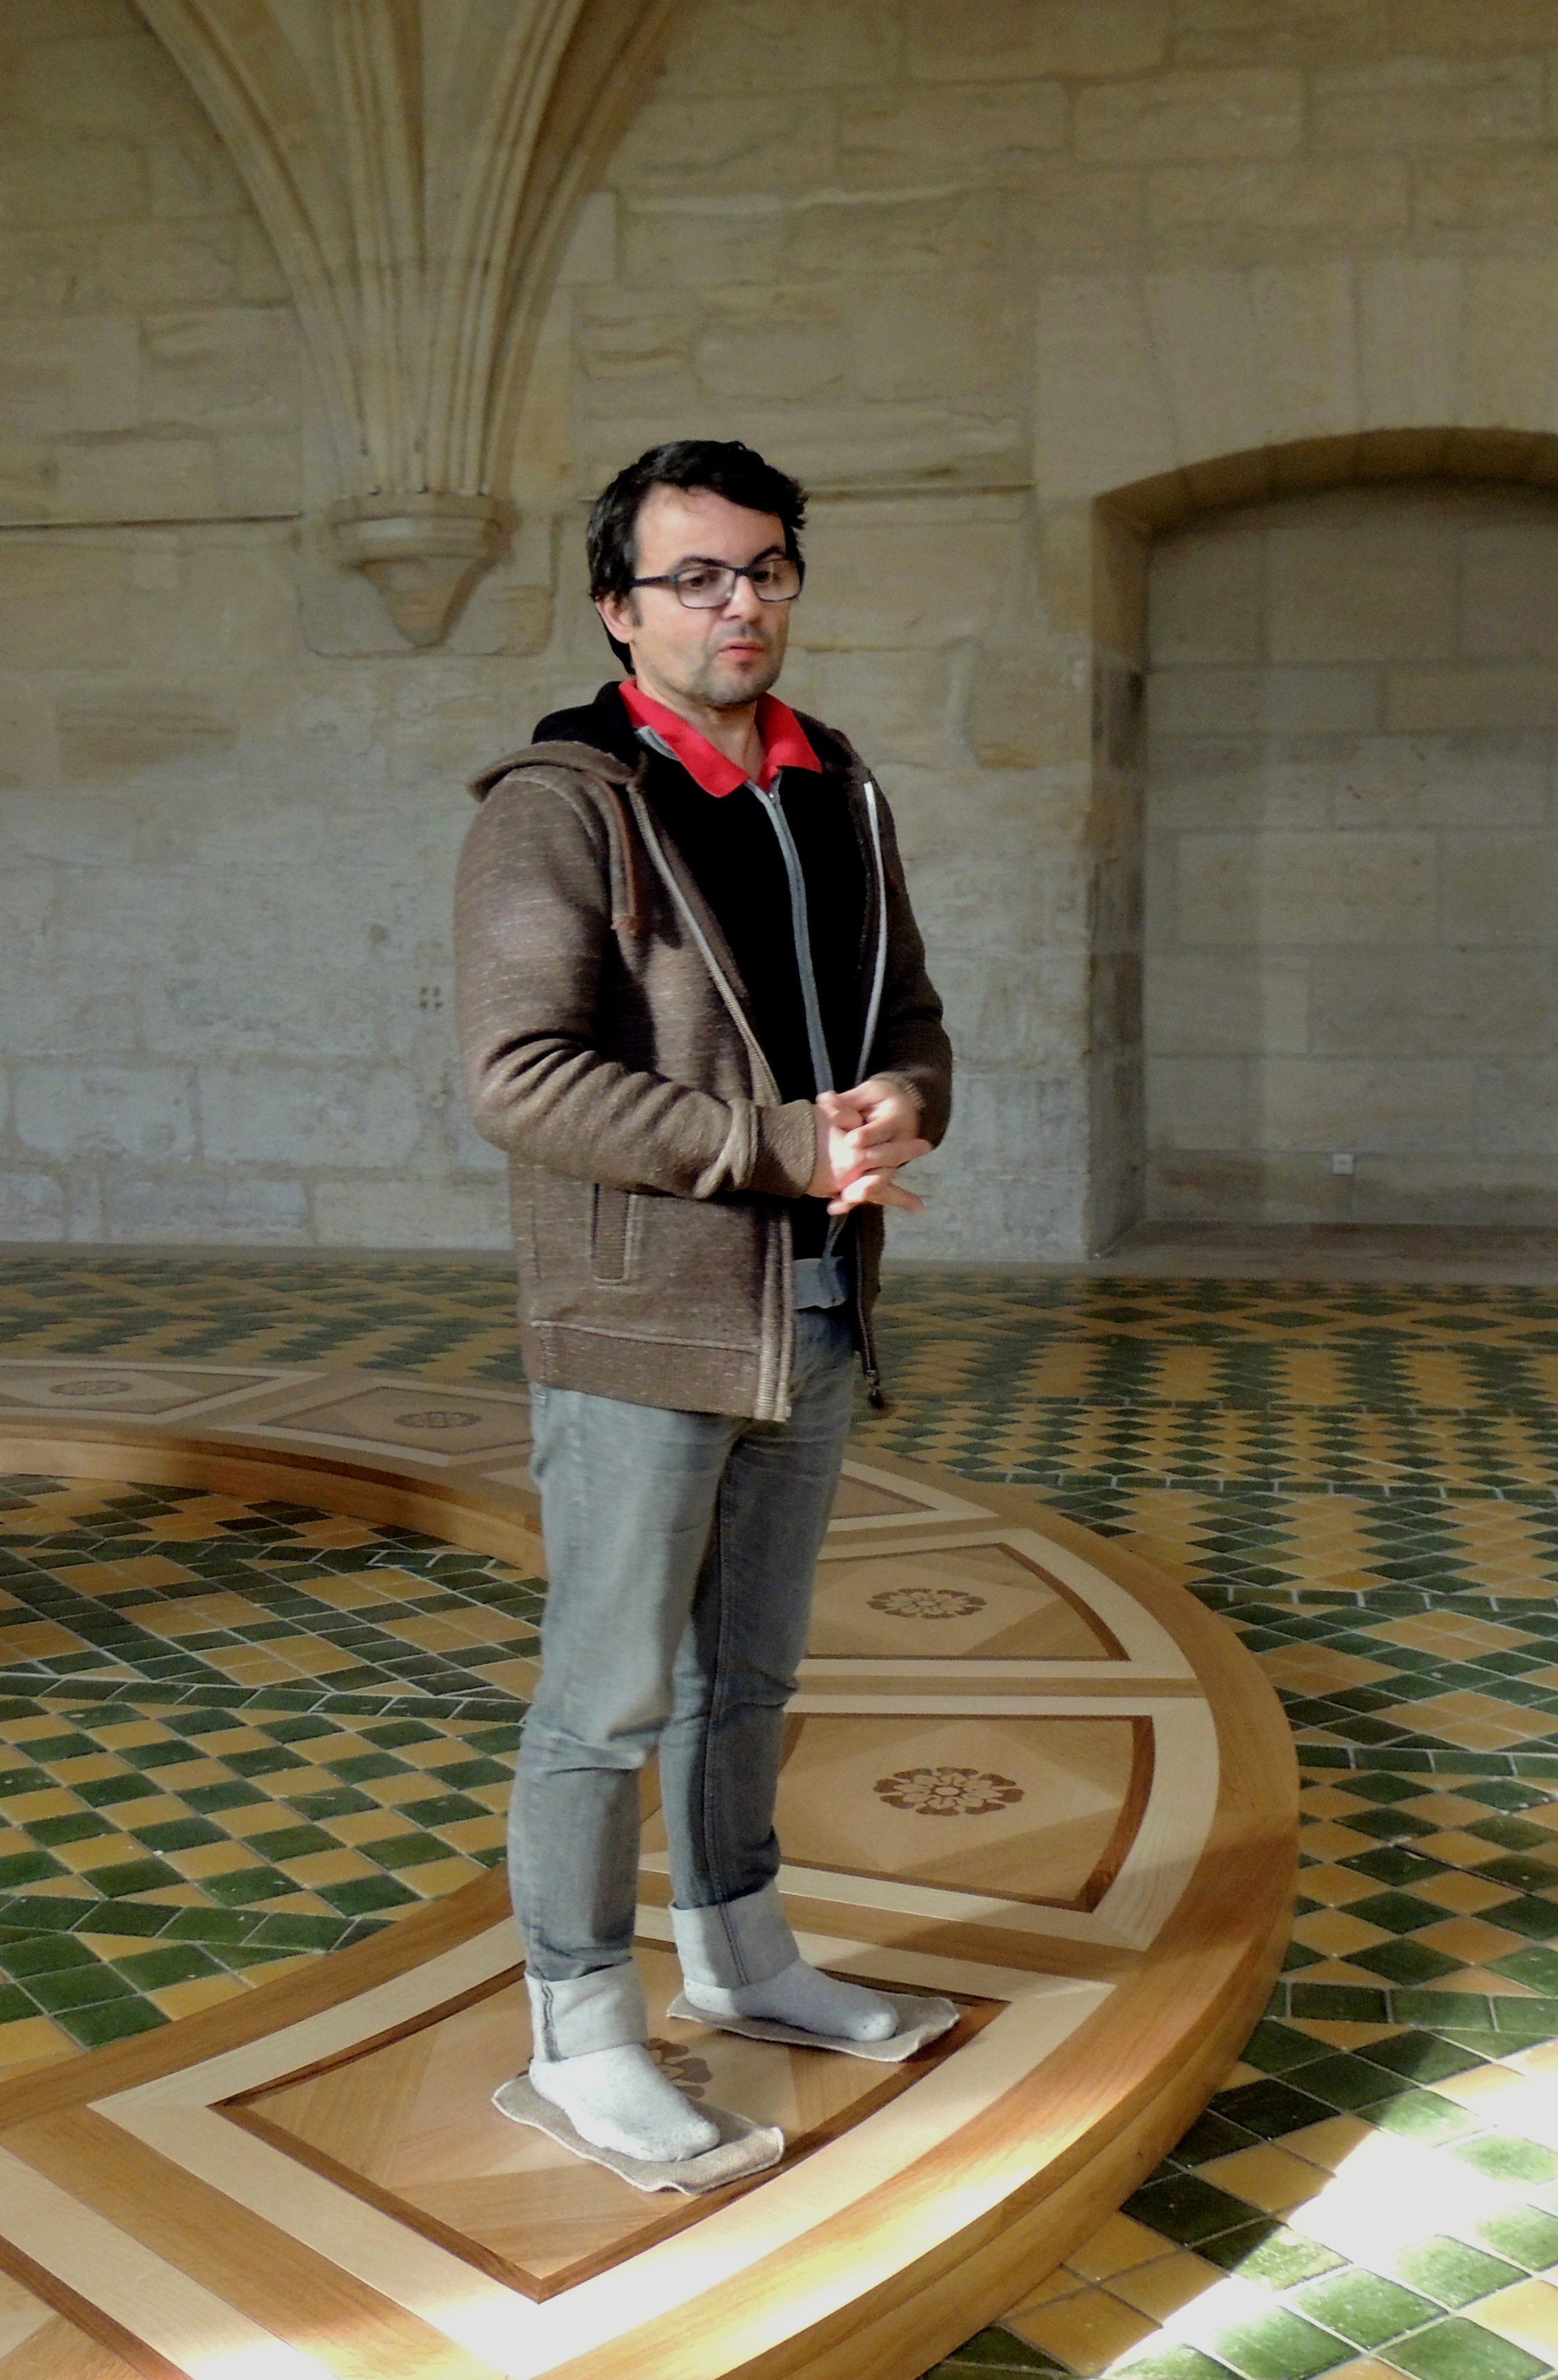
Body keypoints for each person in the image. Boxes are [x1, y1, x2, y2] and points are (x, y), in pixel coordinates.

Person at [453, 439, 958, 2191]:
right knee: (604, 1699)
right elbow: (519, 1078)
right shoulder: (560, 802)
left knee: (749, 1674)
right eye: (696, 578)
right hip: (645, 1325)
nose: (739, 603)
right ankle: (580, 2036)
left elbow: (910, 1014)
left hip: (812, 1307)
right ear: (620, 609)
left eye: (765, 569)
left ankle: (743, 1956)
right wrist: (778, 1146)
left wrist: (901, 1104)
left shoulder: (839, 786)